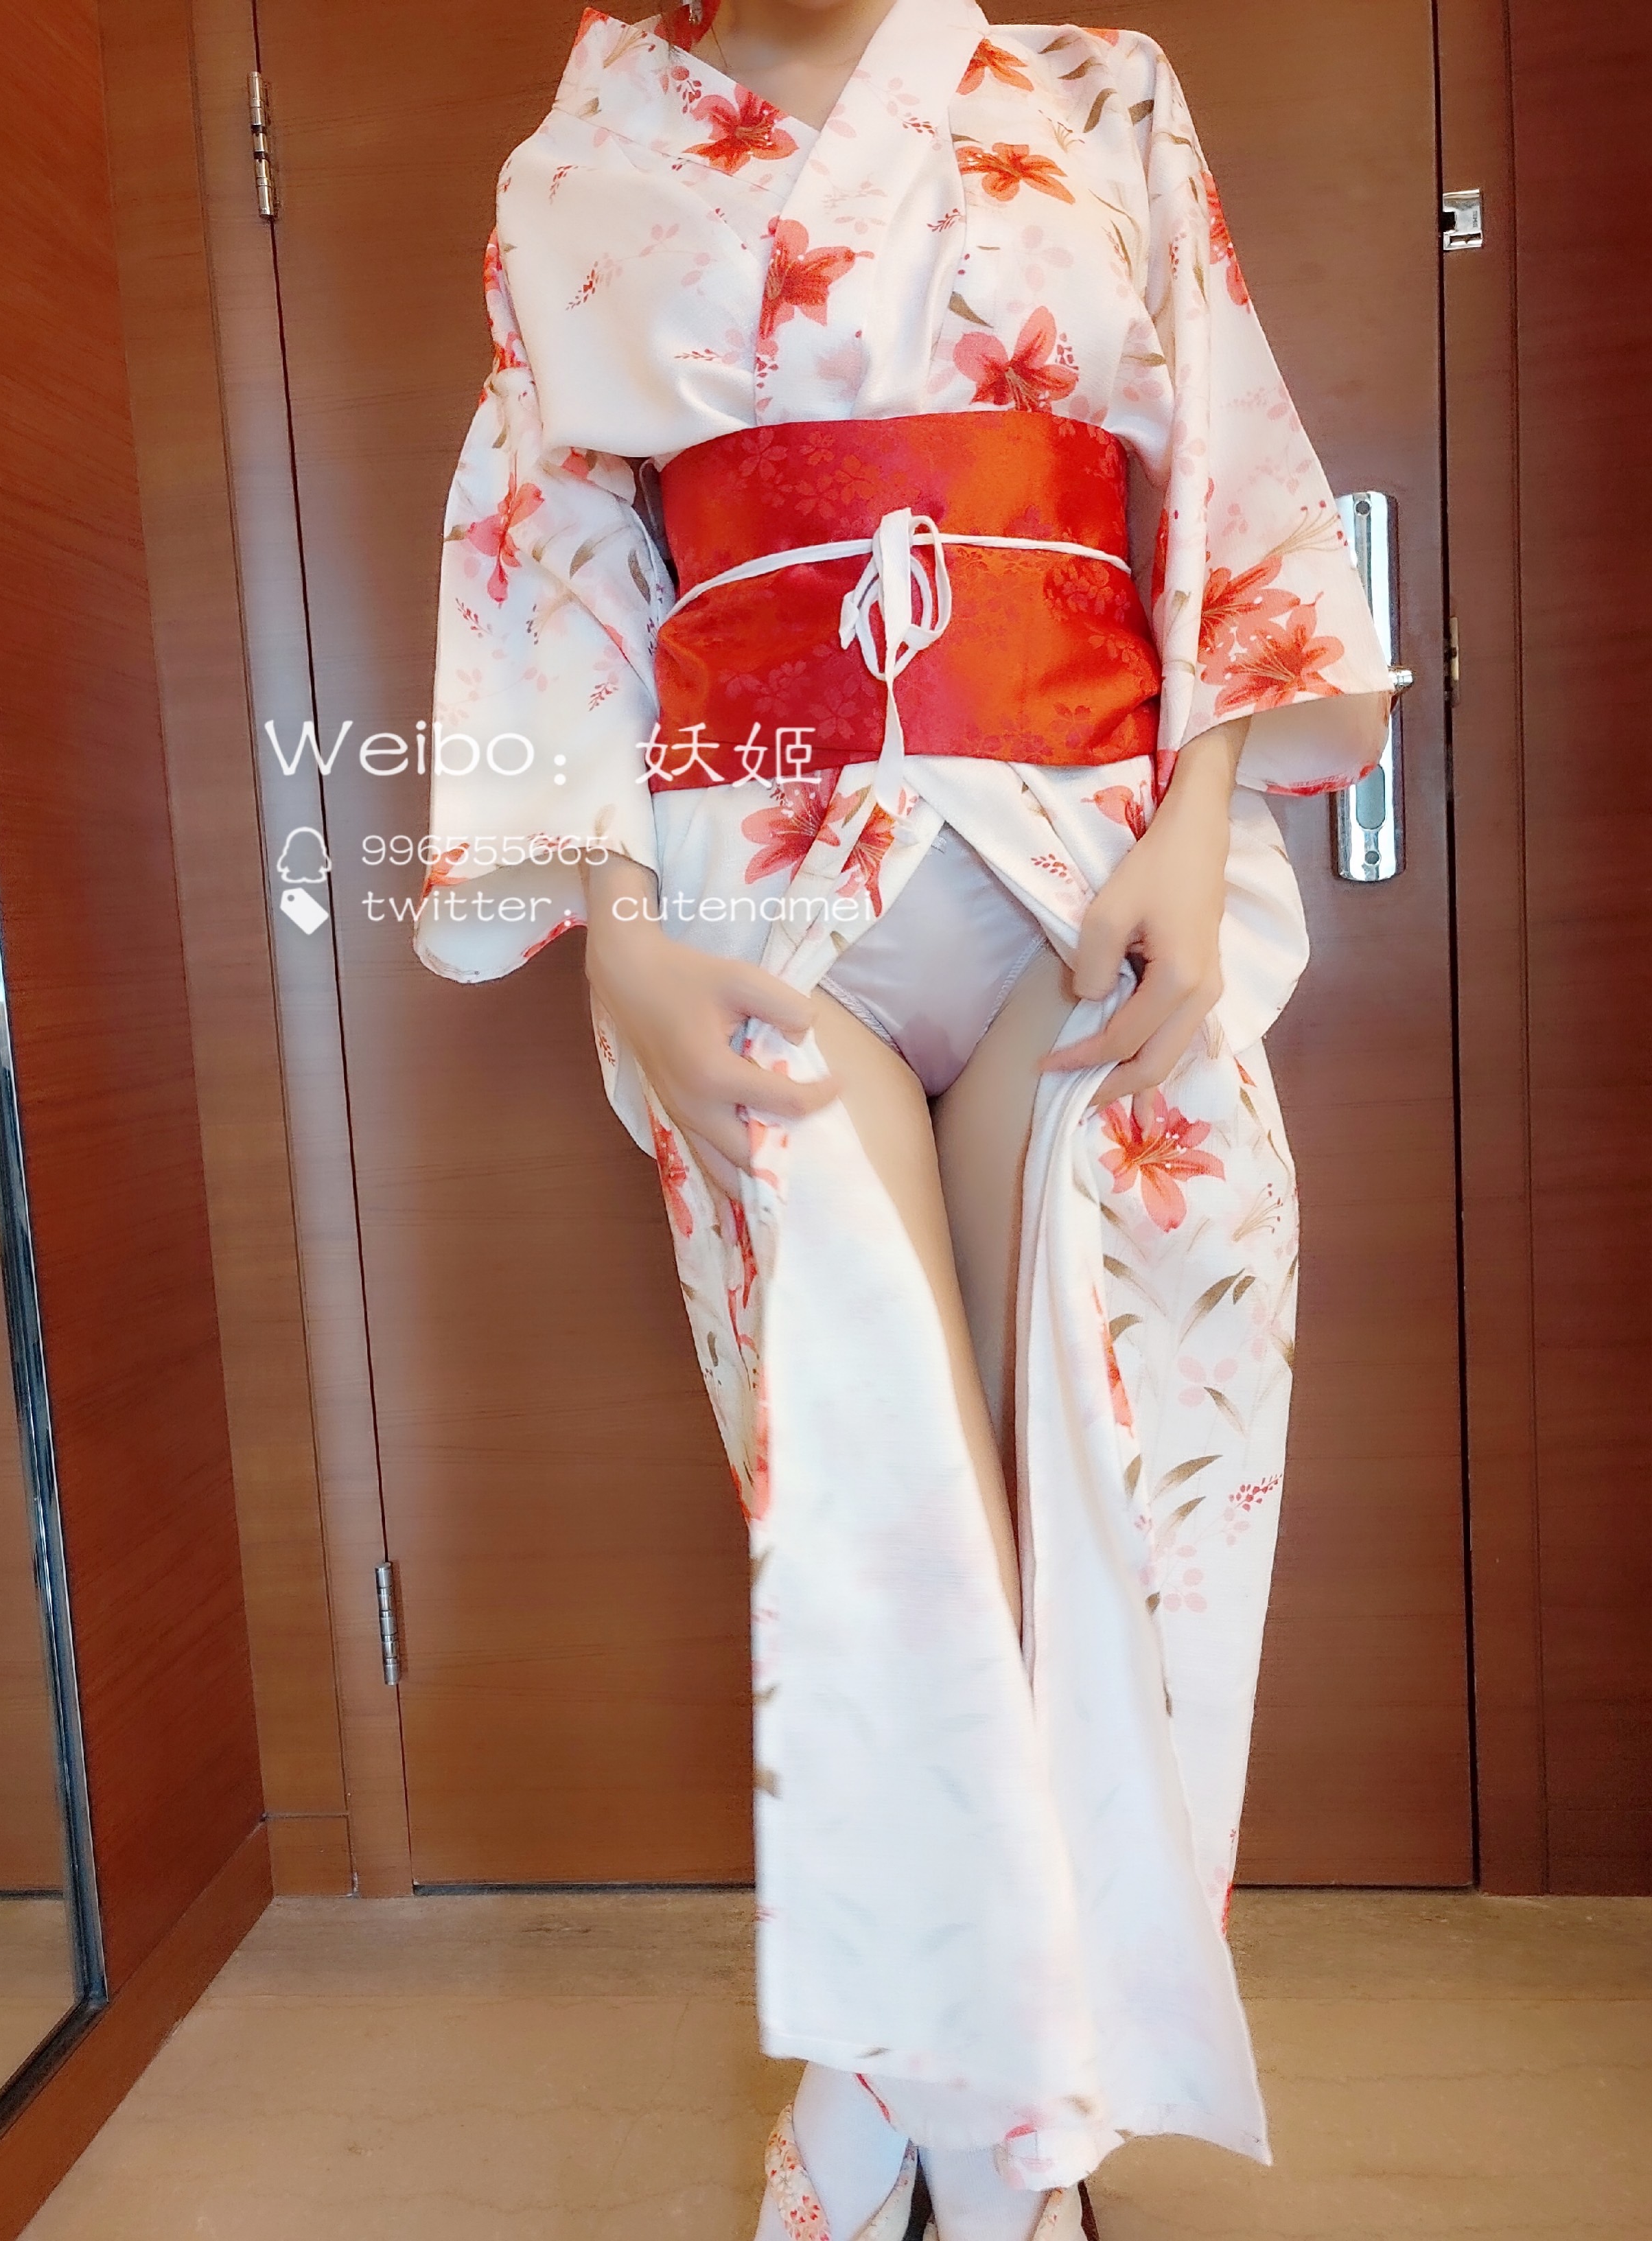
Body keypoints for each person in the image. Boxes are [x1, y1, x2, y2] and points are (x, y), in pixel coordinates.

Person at [414, 3, 1393, 2235]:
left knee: (1094, 1488)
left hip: (1084, 859)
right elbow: (552, 554)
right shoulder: (584, 148)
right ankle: (936, 2125)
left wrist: (1196, 826)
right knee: (878, 1507)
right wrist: (614, 931)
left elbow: (1223, 463)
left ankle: (986, 2109)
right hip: (753, 890)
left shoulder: (1094, 90)